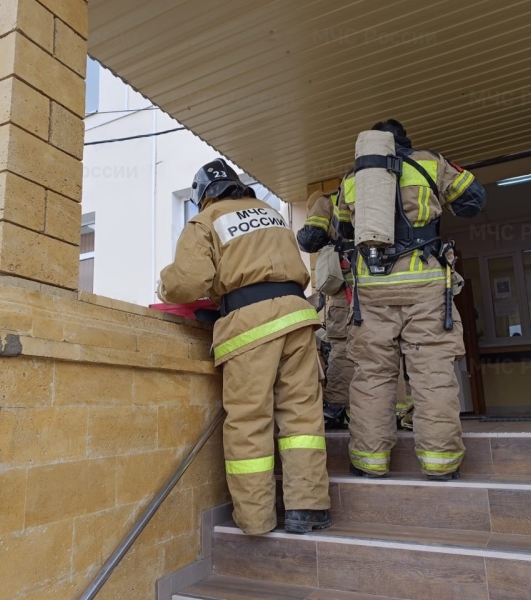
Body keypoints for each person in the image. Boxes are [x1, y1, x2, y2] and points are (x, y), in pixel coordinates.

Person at [157, 158, 331, 535]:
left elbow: (187, 282)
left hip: (250, 326)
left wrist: (163, 286)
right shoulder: (269, 212)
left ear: (203, 195)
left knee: (250, 421)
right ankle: (308, 509)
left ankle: (256, 519)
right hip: (298, 318)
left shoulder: (205, 221)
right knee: (302, 419)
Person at [340, 119, 486, 480]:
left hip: (372, 285)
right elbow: (474, 202)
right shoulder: (429, 162)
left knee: (372, 373)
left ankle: (370, 462)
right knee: (431, 369)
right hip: (424, 281)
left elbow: (343, 231)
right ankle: (440, 462)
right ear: (405, 141)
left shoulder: (352, 178)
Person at [296, 186, 355, 428]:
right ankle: (394, 408)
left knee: (340, 344)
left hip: (346, 293)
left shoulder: (326, 202)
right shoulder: (377, 196)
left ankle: (336, 408)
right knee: (382, 348)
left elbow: (310, 240)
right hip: (380, 289)